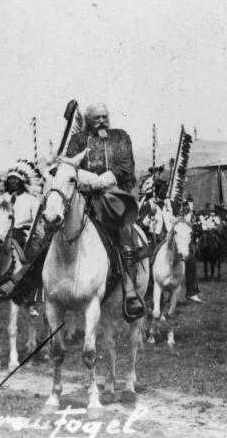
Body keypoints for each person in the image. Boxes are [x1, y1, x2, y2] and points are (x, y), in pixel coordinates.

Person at [65, 102, 145, 322]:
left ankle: (130, 292)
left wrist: (101, 181)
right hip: (83, 195)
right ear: (88, 120)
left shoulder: (120, 137)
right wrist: (87, 180)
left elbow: (125, 166)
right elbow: (70, 165)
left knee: (124, 234)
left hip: (113, 197)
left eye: (104, 116)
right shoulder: (78, 140)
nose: (102, 120)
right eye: (97, 117)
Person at [0, 160, 44, 316]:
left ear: (22, 182)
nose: (13, 181)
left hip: (23, 234)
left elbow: (38, 221)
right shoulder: (0, 198)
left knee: (33, 259)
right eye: (10, 179)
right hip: (1, 232)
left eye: (16, 179)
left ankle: (30, 300)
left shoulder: (32, 200)